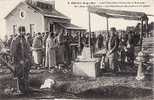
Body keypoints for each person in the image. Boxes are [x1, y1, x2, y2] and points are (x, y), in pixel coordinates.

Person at [10, 26, 32, 94]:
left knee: (26, 74)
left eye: (24, 31)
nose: (23, 32)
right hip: (19, 61)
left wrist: (28, 58)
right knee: (19, 75)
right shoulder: (15, 40)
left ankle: (26, 88)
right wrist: (19, 60)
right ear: (19, 31)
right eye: (22, 31)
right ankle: (18, 89)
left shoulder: (24, 39)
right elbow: (13, 52)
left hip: (25, 60)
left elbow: (26, 49)